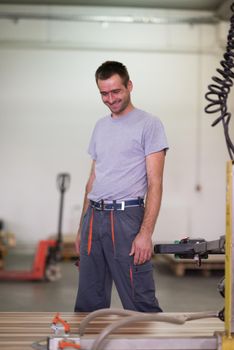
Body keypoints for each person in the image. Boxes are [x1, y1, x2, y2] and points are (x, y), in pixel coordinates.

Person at [74, 61, 168, 313]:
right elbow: (93, 178)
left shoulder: (149, 124)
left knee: (140, 301)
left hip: (126, 218)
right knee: (88, 301)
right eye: (104, 93)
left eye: (116, 91)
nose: (110, 99)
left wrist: (146, 233)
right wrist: (82, 226)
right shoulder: (100, 126)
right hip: (94, 217)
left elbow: (155, 183)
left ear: (129, 86)